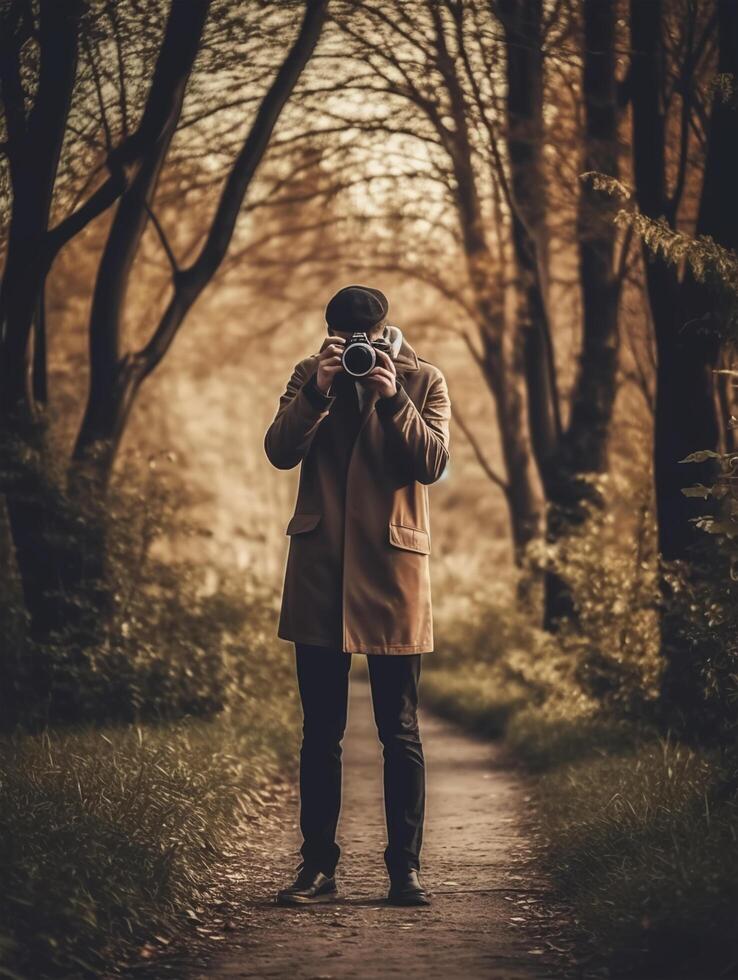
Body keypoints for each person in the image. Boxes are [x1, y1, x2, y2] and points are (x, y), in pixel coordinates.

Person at [263, 284, 452, 908]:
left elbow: (431, 463)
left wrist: (392, 395)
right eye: (346, 338)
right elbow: (279, 451)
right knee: (321, 732)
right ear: (332, 334)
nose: (358, 347)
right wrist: (318, 390)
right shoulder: (309, 376)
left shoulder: (423, 379)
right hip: (321, 572)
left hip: (392, 571)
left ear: (385, 331)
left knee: (399, 730)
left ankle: (407, 871)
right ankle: (318, 867)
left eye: (364, 336)